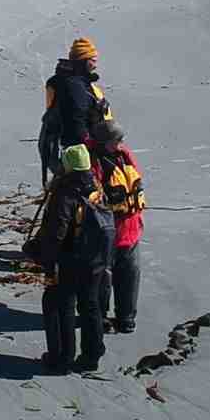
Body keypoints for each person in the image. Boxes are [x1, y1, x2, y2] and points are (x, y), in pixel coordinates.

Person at [24, 144, 114, 373]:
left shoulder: (65, 193)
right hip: (96, 259)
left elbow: (56, 233)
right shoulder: (95, 186)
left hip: (70, 259)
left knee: (59, 304)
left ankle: (61, 357)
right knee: (90, 306)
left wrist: (40, 255)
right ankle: (91, 356)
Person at [90, 122, 145, 333]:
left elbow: (136, 180)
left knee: (130, 274)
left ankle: (126, 319)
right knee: (103, 277)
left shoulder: (124, 155)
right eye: (117, 141)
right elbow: (92, 197)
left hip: (130, 228)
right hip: (107, 232)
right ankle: (100, 317)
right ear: (104, 142)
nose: (121, 144)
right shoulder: (94, 162)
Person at [41, 37, 111, 183]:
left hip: (69, 150)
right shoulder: (75, 86)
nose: (96, 65)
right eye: (93, 60)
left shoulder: (66, 81)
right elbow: (76, 118)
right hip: (80, 152)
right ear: (84, 60)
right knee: (85, 189)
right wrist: (88, 140)